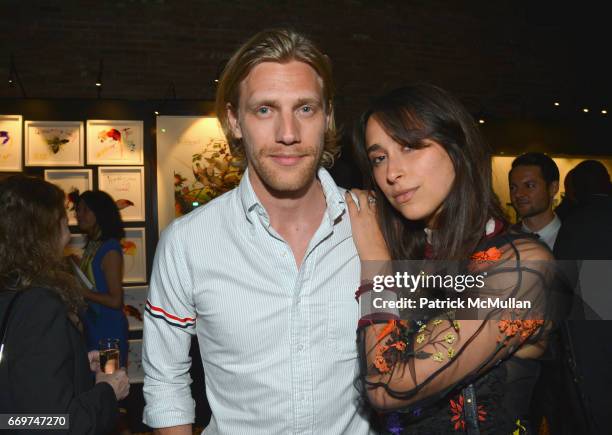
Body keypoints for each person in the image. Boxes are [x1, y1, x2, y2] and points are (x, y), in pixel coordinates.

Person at [142, 29, 372, 434]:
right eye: (265, 110)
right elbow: (166, 382)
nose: (288, 133)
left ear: (327, 116)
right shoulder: (188, 243)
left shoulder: (373, 226)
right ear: (234, 121)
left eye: (305, 109)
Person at [348, 84, 564, 434]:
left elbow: (389, 385)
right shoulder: (414, 256)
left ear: (457, 148)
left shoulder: (522, 264)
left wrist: (376, 263)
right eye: (379, 158)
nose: (392, 172)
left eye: (410, 147)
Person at [0, 174, 129, 434]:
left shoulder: (11, 291)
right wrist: (108, 392)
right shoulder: (39, 306)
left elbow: (20, 399)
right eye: (62, 222)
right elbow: (53, 423)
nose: (69, 234)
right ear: (43, 232)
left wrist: (76, 362)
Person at [75, 190, 129, 366]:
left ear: (99, 213)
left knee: (110, 384)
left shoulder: (110, 249)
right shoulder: (94, 245)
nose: (78, 214)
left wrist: (81, 292)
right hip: (94, 329)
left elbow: (115, 300)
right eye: (78, 209)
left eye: (85, 210)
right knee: (99, 385)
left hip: (109, 333)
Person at [508, 152, 561, 250]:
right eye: (513, 187)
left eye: (530, 186)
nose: (518, 194)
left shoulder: (577, 239)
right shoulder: (503, 240)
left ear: (553, 188)